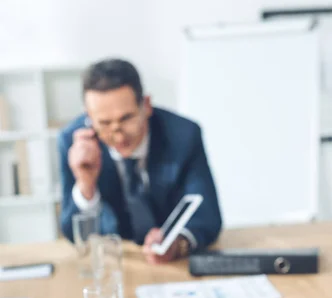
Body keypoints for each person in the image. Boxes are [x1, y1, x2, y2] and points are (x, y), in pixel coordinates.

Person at [58, 58, 222, 264]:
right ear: (89, 117)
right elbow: (71, 233)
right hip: (117, 261)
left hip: (171, 263)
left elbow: (208, 215)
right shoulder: (73, 142)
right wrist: (86, 184)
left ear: (146, 105)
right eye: (105, 123)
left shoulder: (183, 135)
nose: (118, 136)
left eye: (126, 118)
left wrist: (178, 242)